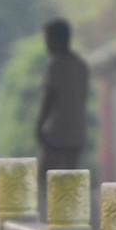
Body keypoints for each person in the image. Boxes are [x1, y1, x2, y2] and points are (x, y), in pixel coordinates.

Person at [33, 18, 90, 176]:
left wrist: (39, 126)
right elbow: (83, 96)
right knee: (69, 178)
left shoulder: (55, 65)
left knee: (46, 179)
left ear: (54, 40)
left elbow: (49, 98)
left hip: (57, 132)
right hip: (77, 131)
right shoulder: (81, 65)